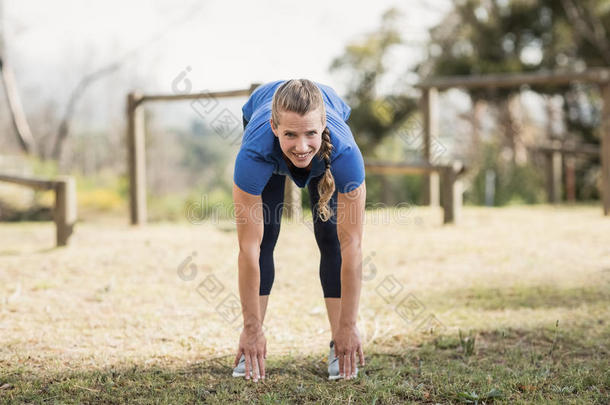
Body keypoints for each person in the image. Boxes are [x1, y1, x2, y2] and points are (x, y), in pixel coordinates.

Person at [231, 79, 366, 382]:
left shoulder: (345, 153)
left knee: (331, 237)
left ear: (323, 125)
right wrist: (250, 329)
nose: (302, 146)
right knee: (266, 235)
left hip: (328, 151)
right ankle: (253, 340)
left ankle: (338, 343)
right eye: (290, 134)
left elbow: (352, 245)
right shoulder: (254, 154)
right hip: (267, 149)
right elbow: (247, 248)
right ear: (274, 126)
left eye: (310, 134)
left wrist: (349, 325)